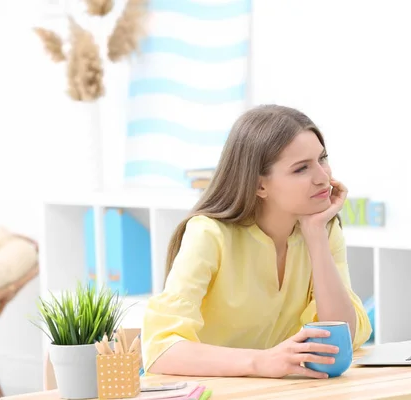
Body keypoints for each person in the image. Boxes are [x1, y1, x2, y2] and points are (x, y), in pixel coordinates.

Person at [141, 104, 372, 379]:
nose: (323, 178)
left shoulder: (323, 229)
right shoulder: (208, 234)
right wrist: (260, 362)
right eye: (301, 169)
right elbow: (160, 350)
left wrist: (316, 237)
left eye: (322, 159)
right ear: (259, 185)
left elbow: (342, 339)